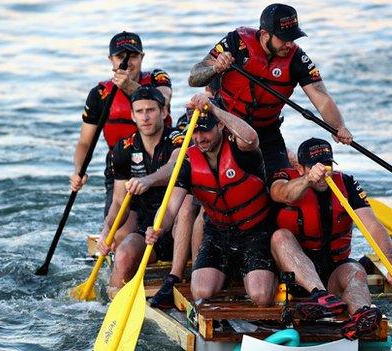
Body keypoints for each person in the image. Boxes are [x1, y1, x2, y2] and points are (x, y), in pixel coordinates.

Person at [188, 3, 353, 178]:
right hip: (224, 124)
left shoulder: (297, 58)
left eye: (293, 38)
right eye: (283, 38)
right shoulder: (236, 42)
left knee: (280, 184)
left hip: (267, 131)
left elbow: (321, 97)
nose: (289, 44)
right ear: (265, 34)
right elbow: (194, 78)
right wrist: (215, 68)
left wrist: (339, 127)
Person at [143, 93, 276, 307]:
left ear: (221, 126)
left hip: (255, 232)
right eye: (195, 131)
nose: (200, 137)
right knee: (201, 290)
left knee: (261, 296)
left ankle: (258, 274)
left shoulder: (240, 148)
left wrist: (213, 109)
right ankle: (232, 273)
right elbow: (170, 207)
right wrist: (158, 227)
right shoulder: (187, 161)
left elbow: (251, 138)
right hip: (218, 234)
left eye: (205, 129)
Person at [269, 138, 392, 340]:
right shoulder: (283, 178)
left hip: (333, 271)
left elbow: (373, 226)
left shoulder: (347, 183)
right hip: (295, 279)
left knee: (356, 271)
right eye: (316, 167)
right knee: (280, 237)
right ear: (300, 168)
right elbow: (281, 193)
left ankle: (361, 316)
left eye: (327, 166)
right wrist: (308, 179)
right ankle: (319, 296)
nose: (324, 173)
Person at [97, 86, 190, 302]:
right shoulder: (123, 149)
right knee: (124, 253)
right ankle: (111, 307)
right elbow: (119, 201)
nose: (145, 117)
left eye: (151, 110)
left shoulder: (178, 138)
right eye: (139, 111)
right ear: (132, 115)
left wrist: (147, 180)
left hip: (180, 228)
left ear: (164, 112)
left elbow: (176, 164)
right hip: (148, 229)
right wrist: (106, 229)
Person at [70, 31, 173, 217]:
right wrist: (79, 171)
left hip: (160, 163)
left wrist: (129, 87)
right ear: (111, 60)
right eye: (120, 57)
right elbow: (85, 142)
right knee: (117, 232)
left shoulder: (158, 78)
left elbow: (163, 100)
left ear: (142, 57)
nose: (127, 62)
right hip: (121, 168)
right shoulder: (100, 94)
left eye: (133, 56)